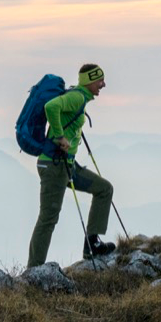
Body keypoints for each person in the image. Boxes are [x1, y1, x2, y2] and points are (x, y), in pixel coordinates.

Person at [28, 63, 116, 267]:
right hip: (54, 166)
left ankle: (92, 244)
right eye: (99, 81)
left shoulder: (80, 99)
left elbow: (61, 114)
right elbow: (51, 107)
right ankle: (33, 270)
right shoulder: (76, 97)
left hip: (67, 165)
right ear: (89, 81)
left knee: (104, 189)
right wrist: (59, 136)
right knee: (48, 218)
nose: (103, 84)